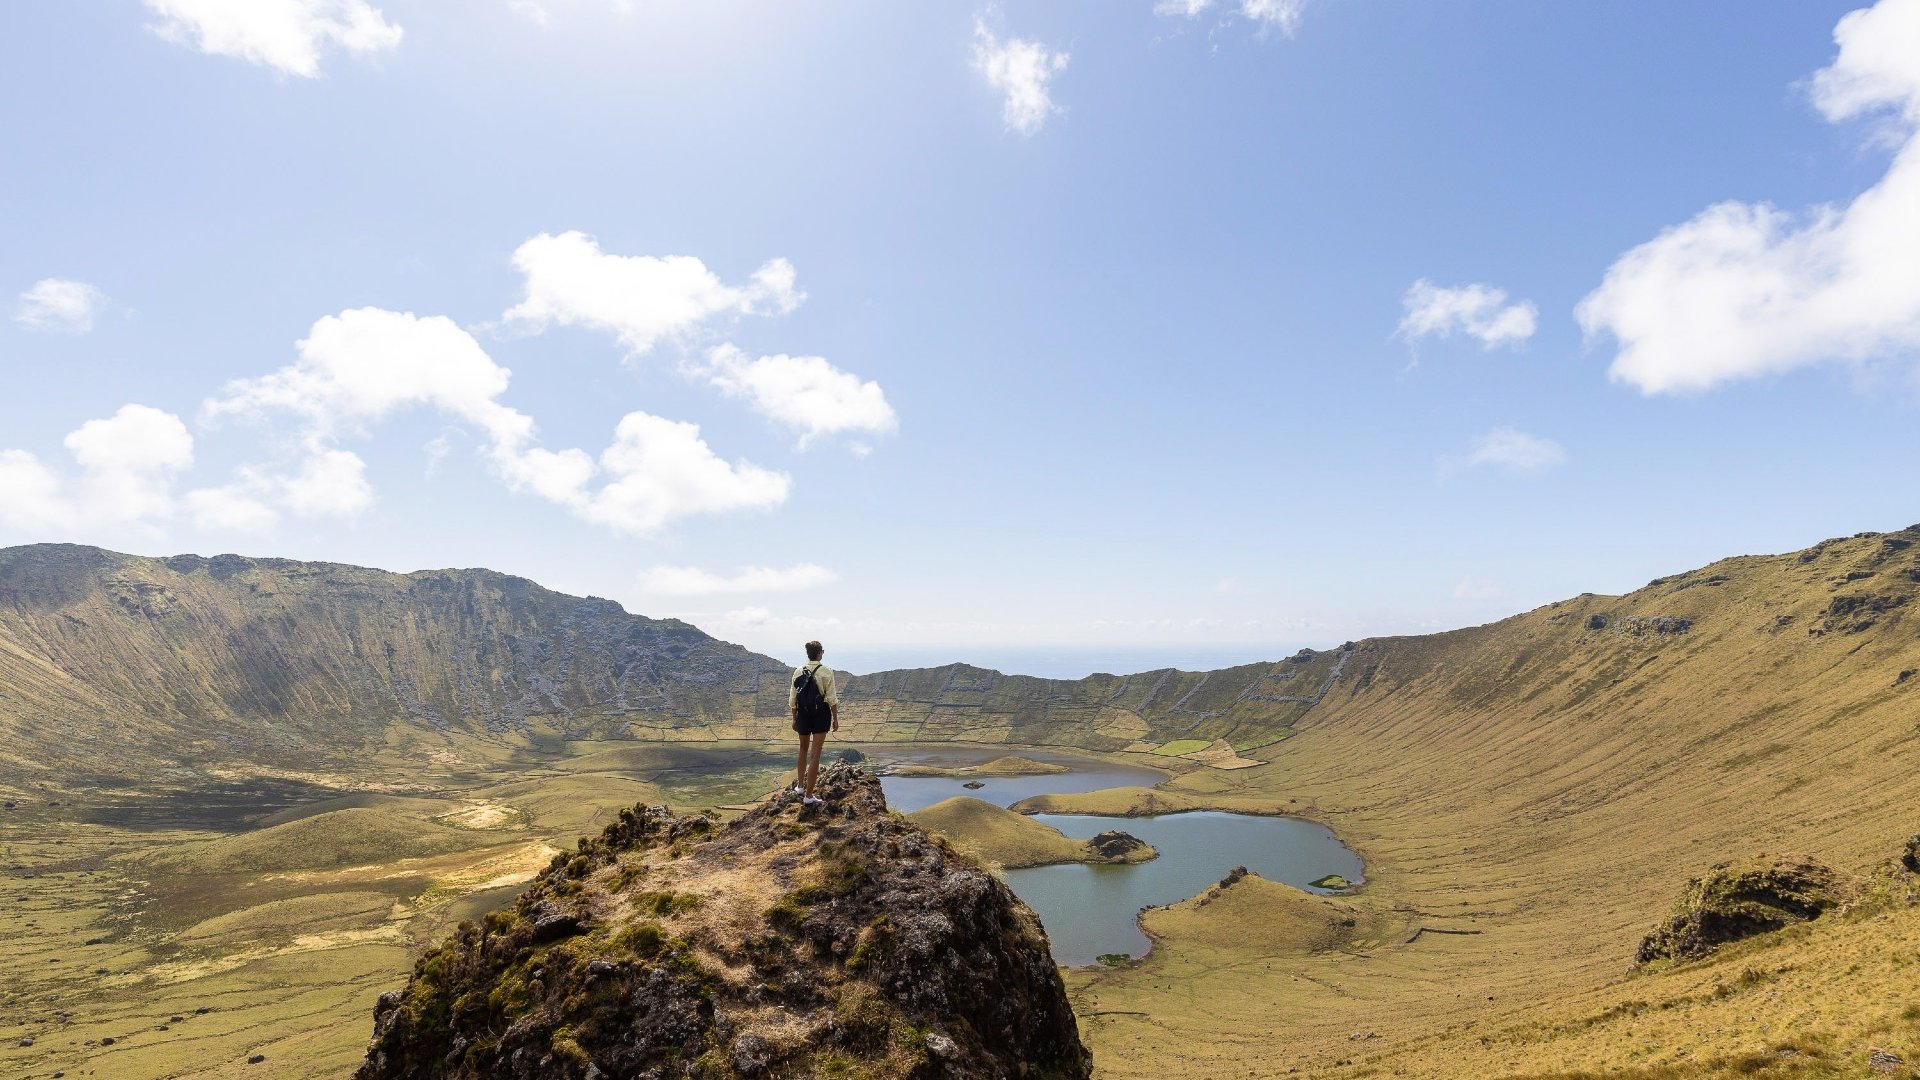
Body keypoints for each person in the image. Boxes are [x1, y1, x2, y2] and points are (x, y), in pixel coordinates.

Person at [787, 639, 839, 806]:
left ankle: (800, 786)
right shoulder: (826, 671)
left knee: (802, 749)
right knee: (815, 754)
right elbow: (831, 698)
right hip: (820, 715)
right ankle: (809, 796)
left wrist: (794, 718)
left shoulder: (798, 671)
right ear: (819, 653)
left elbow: (793, 698)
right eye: (822, 652)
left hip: (803, 714)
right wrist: (835, 718)